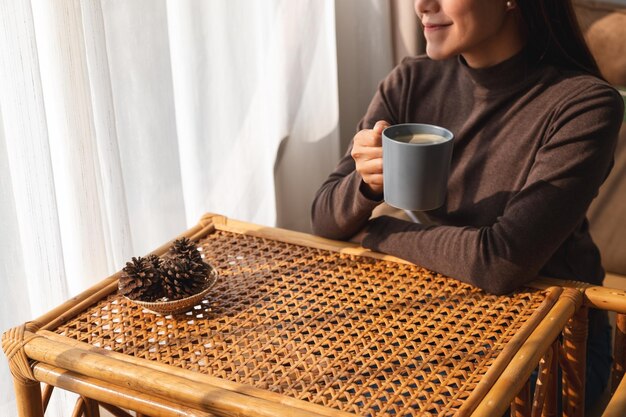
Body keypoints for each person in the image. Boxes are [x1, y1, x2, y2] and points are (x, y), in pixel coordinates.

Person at [311, 0, 624, 411]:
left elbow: (500, 262)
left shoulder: (584, 105)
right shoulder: (410, 80)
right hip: (439, 319)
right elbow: (323, 216)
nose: (422, 5)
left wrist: (372, 231)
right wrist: (366, 187)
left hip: (552, 340)